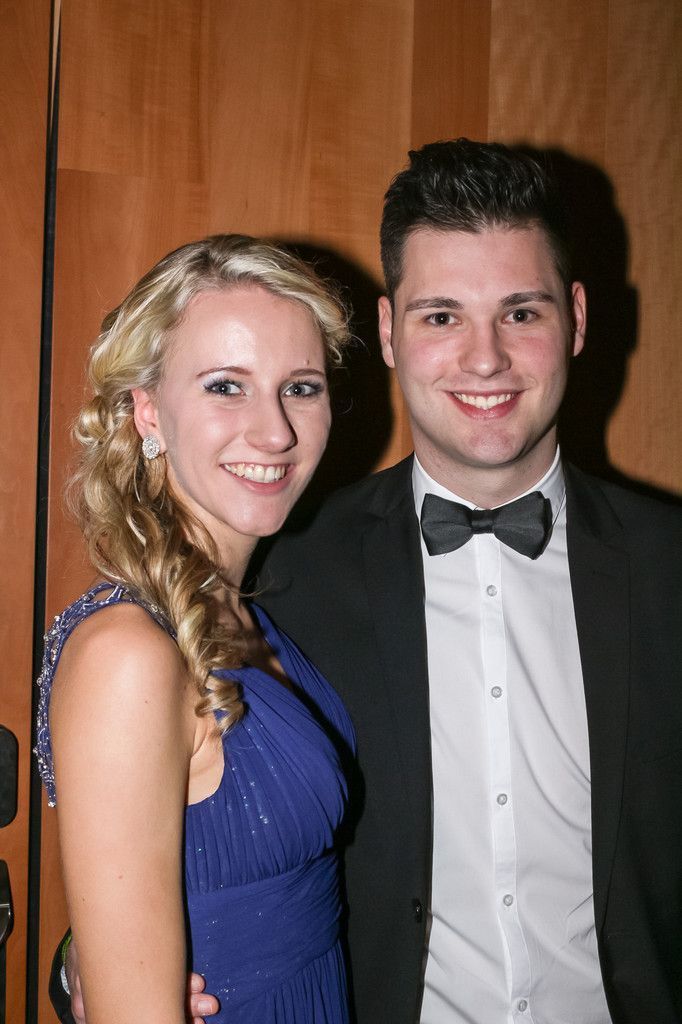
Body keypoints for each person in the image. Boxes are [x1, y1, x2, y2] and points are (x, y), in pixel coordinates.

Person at [56, 141, 682, 1024]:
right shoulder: (286, 572)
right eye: (441, 316)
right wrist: (88, 971)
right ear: (388, 333)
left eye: (521, 312)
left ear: (576, 319)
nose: (485, 359)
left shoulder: (669, 569)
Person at [37, 234, 356, 1024]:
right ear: (147, 409)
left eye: (301, 387)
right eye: (226, 386)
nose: (275, 432)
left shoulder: (248, 612)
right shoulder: (127, 655)